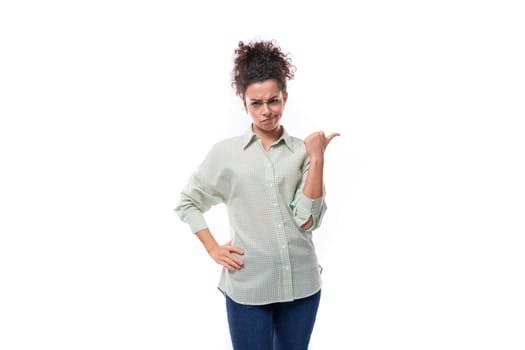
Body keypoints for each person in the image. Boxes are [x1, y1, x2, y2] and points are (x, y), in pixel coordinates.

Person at [174, 39, 339, 350]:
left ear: (285, 98)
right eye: (256, 103)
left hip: (302, 287)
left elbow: (308, 220)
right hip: (248, 288)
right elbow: (188, 202)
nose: (266, 111)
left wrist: (317, 158)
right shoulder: (225, 154)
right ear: (244, 103)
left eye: (274, 101)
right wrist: (212, 248)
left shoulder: (303, 152)